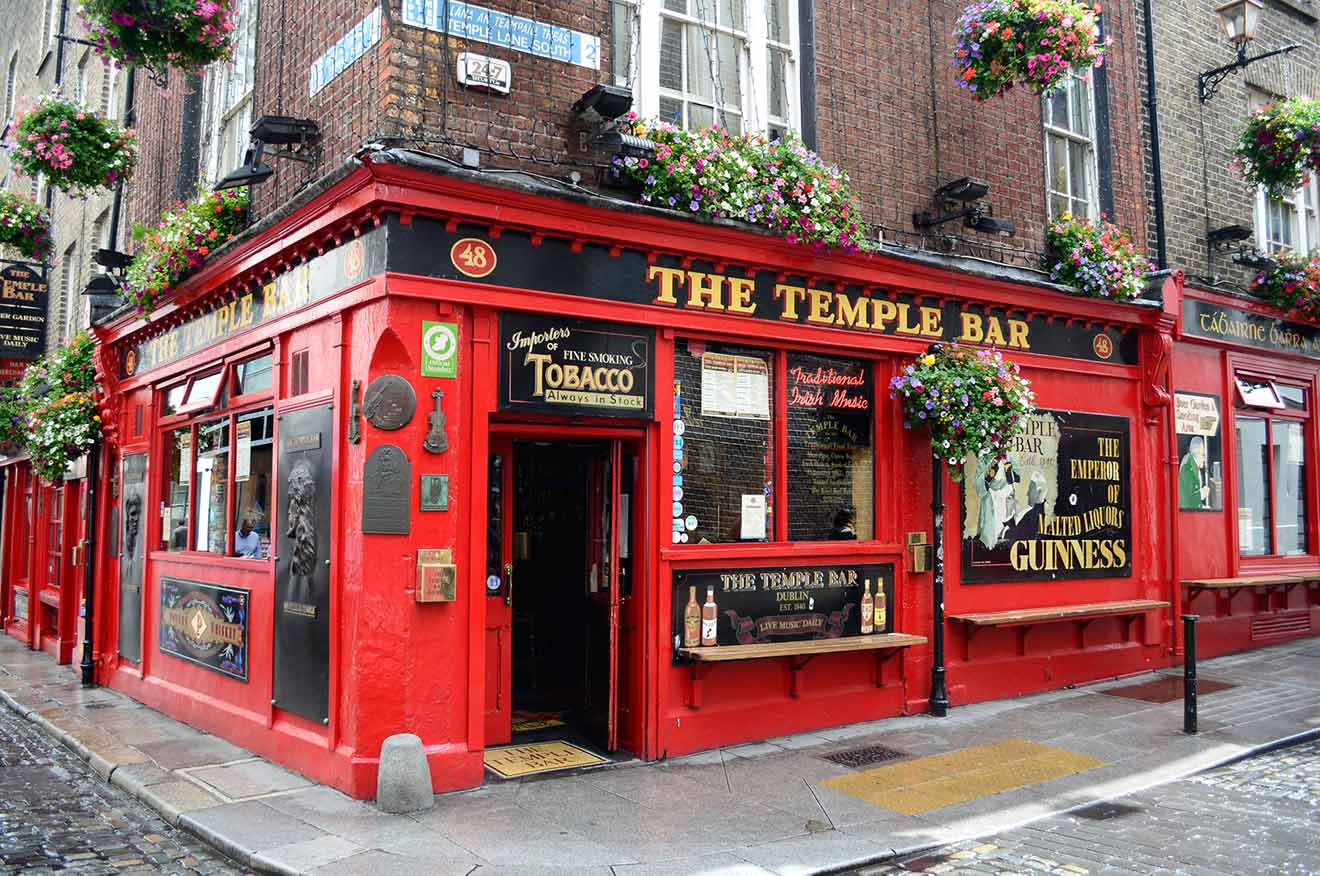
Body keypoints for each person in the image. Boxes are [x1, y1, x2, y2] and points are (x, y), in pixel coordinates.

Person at [975, 457, 1019, 549]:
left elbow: (1017, 479)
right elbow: (979, 488)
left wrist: (1010, 475)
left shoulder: (1008, 458)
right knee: (991, 542)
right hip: (991, 503)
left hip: (1007, 504)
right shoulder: (984, 460)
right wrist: (989, 475)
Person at [1006, 471, 1048, 543]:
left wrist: (1009, 512)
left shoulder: (1031, 516)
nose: (1027, 493)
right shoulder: (1047, 511)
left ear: (1039, 492)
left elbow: (1010, 537)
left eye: (1030, 489)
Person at [1179, 435, 1209, 510]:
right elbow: (1186, 500)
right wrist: (1201, 494)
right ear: (1197, 453)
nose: (1204, 459)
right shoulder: (1188, 470)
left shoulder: (1194, 467)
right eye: (1203, 455)